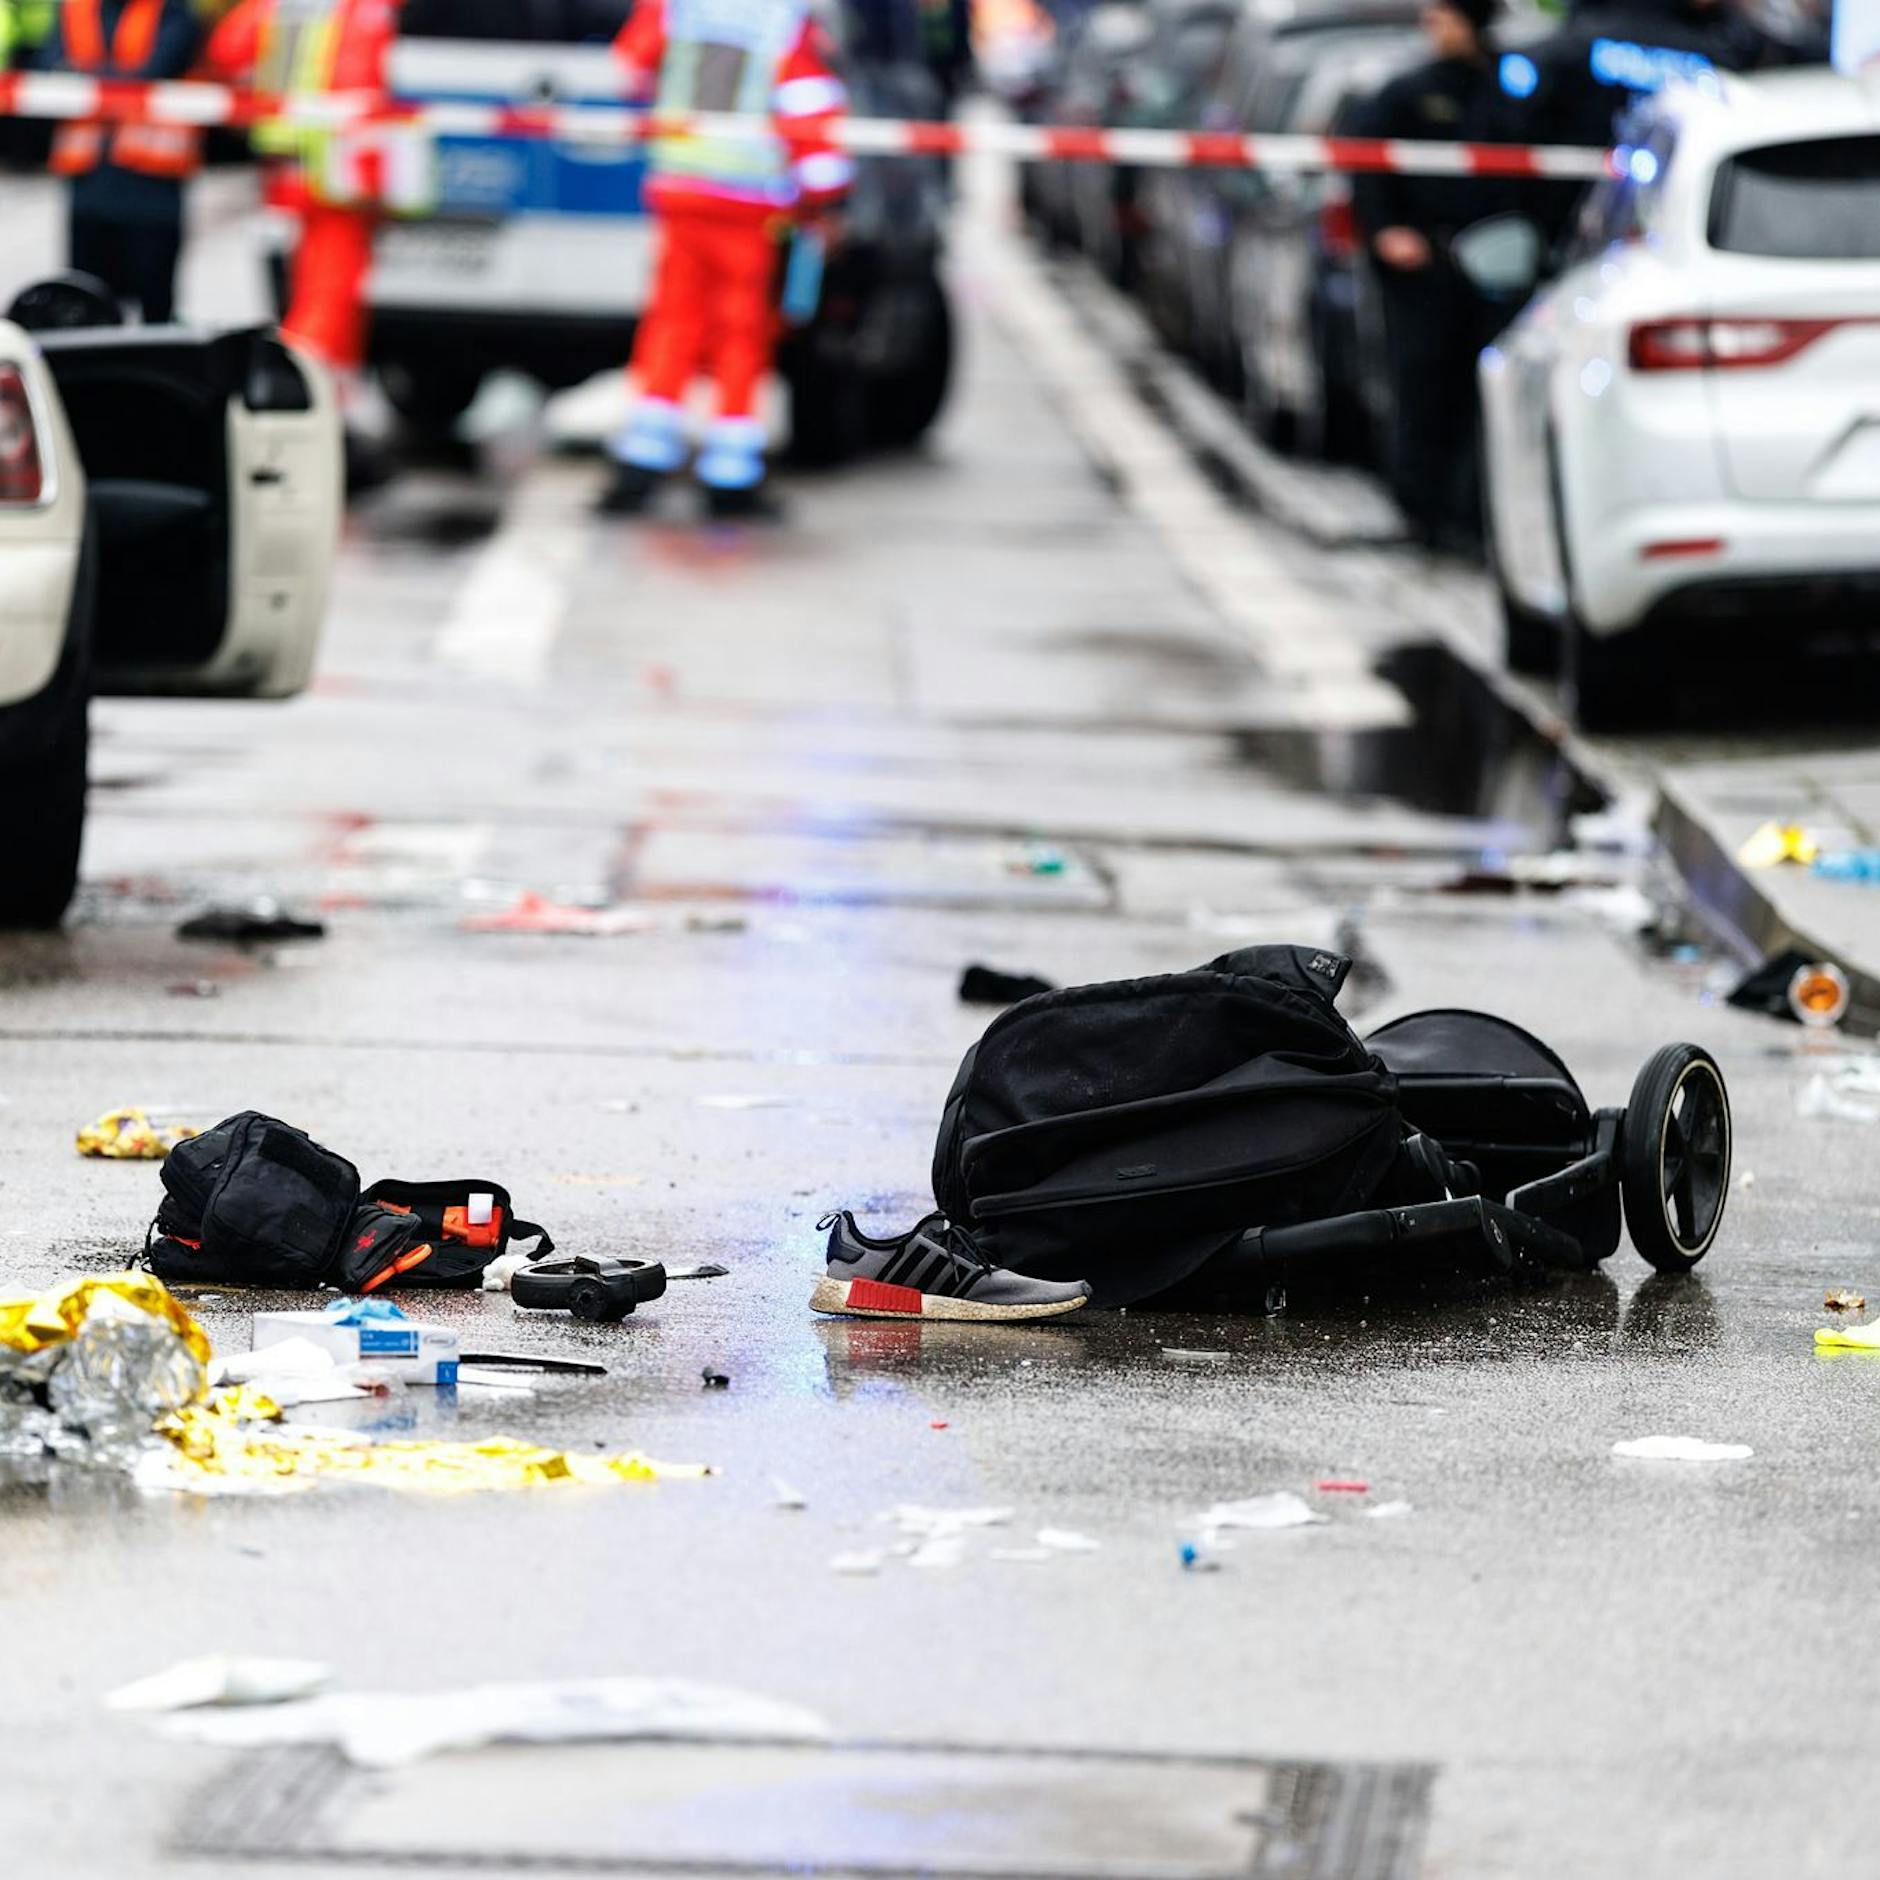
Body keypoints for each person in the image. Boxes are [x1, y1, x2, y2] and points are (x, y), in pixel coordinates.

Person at [603, 0, 853, 518]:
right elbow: (808, 108)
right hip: (749, 201)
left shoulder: (675, 6)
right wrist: (826, 201)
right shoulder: (783, 17)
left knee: (671, 326)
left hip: (681, 190)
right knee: (740, 334)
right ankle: (730, 472)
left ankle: (642, 463)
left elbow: (629, 68)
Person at [1350, 0, 1527, 554]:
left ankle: (1472, 516)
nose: (1434, 30)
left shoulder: (1511, 84)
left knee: (1484, 393)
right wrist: (1385, 233)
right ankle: (1420, 513)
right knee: (1422, 388)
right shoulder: (1405, 92)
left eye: (1444, 18)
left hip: (1494, 267)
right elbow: (1368, 167)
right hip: (1424, 266)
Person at [206, 0, 406, 393]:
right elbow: (366, 85)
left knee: (301, 282)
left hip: (287, 159)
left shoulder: (275, 5)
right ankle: (305, 381)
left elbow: (227, 52)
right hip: (341, 167)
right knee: (330, 286)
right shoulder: (363, 12)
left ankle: (311, 377)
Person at [41, 0, 202, 324]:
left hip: (150, 187)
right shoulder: (75, 10)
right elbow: (48, 67)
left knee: (155, 304)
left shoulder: (171, 10)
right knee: (87, 302)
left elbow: (156, 68)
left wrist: (82, 77)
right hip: (91, 183)